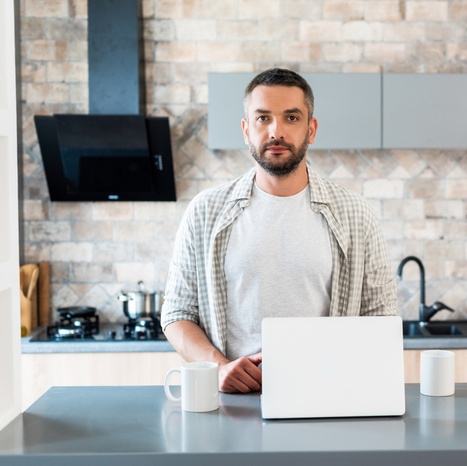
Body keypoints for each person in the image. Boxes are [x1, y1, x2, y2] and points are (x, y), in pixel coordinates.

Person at [161, 68, 398, 394]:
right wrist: (219, 368)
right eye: (262, 118)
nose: (276, 131)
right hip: (235, 399)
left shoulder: (355, 214)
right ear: (246, 130)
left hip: (327, 395)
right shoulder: (205, 212)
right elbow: (177, 313)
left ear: (311, 129)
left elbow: (381, 318)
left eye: (291, 118)